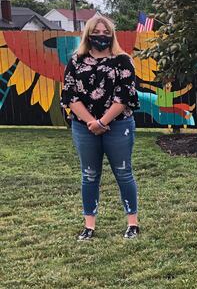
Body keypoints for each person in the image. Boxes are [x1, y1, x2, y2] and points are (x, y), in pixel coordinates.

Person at [60, 15, 140, 240]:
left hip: (119, 125)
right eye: (97, 32)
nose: (102, 36)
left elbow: (125, 96)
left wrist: (103, 122)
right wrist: (90, 122)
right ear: (88, 34)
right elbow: (69, 95)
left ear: (112, 35)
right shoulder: (76, 61)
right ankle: (89, 226)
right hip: (84, 128)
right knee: (89, 175)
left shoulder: (123, 60)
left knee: (124, 173)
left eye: (106, 32)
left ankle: (132, 224)